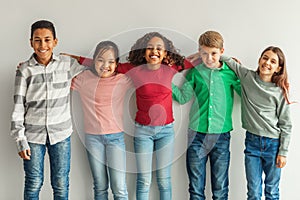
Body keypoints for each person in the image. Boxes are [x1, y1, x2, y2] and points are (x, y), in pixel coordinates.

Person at [69, 31, 194, 200]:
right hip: (143, 132)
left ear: (166, 54)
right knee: (144, 180)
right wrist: (74, 57)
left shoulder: (171, 68)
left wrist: (222, 59)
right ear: (143, 51)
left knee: (164, 180)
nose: (154, 51)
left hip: (166, 131)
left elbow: (195, 62)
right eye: (150, 47)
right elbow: (106, 63)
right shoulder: (135, 70)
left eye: (159, 48)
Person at [10, 20, 86, 200]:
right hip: (32, 137)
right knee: (34, 182)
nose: (42, 45)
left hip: (61, 135)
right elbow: (18, 106)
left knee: (60, 183)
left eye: (47, 40)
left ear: (55, 42)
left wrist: (73, 56)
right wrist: (20, 139)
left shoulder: (67, 64)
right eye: (37, 40)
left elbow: (96, 66)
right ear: (31, 43)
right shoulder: (24, 70)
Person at [172, 30, 241, 200]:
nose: (209, 58)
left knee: (220, 188)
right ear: (199, 52)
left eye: (214, 53)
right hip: (196, 135)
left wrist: (235, 66)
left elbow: (248, 94)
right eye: (204, 53)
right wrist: (164, 79)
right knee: (196, 188)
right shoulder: (195, 72)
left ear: (221, 52)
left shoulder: (230, 74)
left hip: (221, 137)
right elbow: (182, 97)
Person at [221, 46, 292, 200]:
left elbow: (286, 124)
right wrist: (200, 54)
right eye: (265, 58)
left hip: (273, 145)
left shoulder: (280, 91)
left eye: (273, 61)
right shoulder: (247, 76)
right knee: (253, 192)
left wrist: (283, 152)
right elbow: (223, 58)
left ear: (278, 68)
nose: (267, 63)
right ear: (259, 59)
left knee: (272, 192)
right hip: (252, 143)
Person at [71, 41, 131, 200]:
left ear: (117, 64)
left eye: (111, 61)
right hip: (93, 139)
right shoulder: (83, 78)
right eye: (100, 60)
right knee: (100, 186)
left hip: (116, 138)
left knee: (119, 187)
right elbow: (58, 78)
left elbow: (141, 68)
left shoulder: (123, 80)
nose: (105, 65)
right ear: (94, 60)